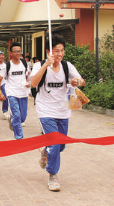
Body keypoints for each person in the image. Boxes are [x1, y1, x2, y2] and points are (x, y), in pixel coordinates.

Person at [31, 35, 84, 191]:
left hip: (63, 109)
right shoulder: (40, 65)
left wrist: (77, 82)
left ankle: (45, 151)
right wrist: (45, 66)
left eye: (62, 50)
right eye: (56, 51)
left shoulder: (67, 66)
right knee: (54, 143)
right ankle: (53, 175)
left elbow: (81, 80)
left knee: (60, 146)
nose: (60, 54)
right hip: (45, 109)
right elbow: (33, 83)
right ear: (48, 51)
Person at [0, 42, 30, 139]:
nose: (18, 53)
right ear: (11, 53)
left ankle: (12, 120)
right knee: (17, 115)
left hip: (23, 93)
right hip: (12, 93)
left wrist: (28, 83)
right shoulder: (7, 66)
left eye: (19, 51)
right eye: (16, 51)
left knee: (22, 118)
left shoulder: (24, 63)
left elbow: (27, 77)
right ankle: (19, 137)